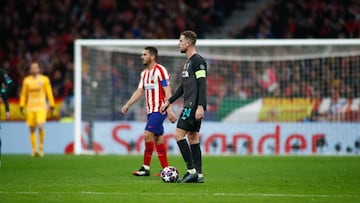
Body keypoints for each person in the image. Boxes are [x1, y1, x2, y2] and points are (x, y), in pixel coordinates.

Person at [121, 46, 177, 176]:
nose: (142, 56)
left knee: (147, 134)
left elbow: (167, 90)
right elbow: (140, 91)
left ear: (152, 56)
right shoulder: (144, 73)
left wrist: (169, 110)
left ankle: (145, 168)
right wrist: (128, 104)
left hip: (160, 109)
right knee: (158, 139)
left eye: (145, 54)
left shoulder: (160, 70)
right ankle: (166, 169)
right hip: (150, 110)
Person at [161, 30, 207, 183]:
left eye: (180, 41)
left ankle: (191, 170)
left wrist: (200, 106)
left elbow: (202, 85)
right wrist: (169, 101)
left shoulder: (198, 61)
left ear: (188, 43)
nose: (178, 43)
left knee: (178, 135)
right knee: (193, 137)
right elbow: (183, 87)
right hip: (191, 104)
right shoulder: (188, 63)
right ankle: (198, 175)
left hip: (193, 106)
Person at [20, 62, 55, 157]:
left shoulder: (44, 79)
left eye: (35, 68)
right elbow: (24, 94)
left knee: (40, 126)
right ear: (30, 70)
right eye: (32, 68)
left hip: (41, 107)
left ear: (39, 69)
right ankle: (34, 150)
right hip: (30, 107)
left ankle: (41, 147)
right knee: (31, 129)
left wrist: (52, 104)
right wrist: (22, 105)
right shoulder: (27, 80)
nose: (34, 69)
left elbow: (49, 92)